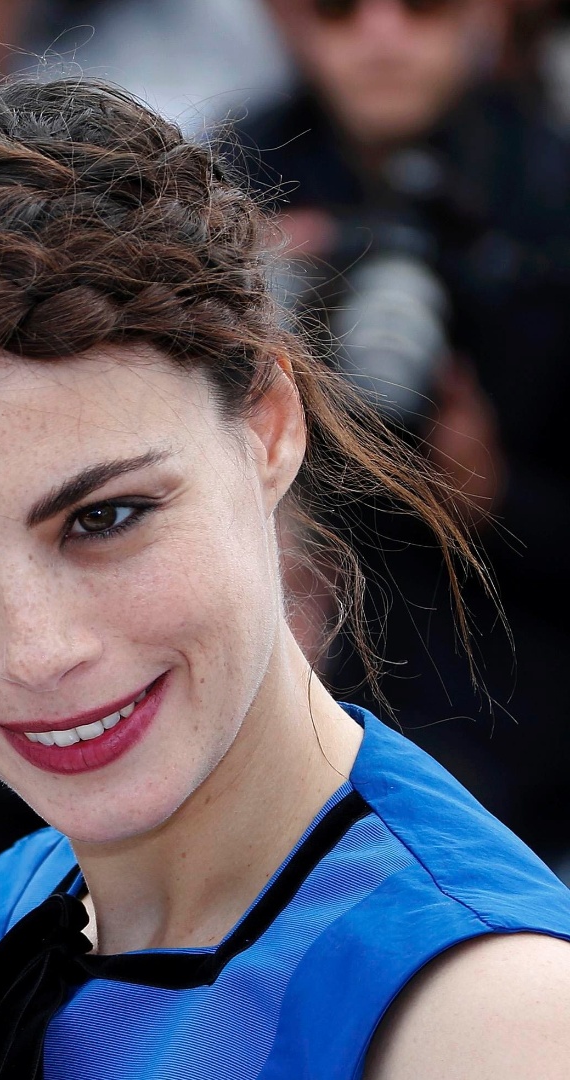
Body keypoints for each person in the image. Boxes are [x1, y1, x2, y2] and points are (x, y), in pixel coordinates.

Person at [0, 78, 570, 1079]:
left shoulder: (486, 1017)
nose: (39, 651)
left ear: (267, 425)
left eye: (105, 519)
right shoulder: (15, 908)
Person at [242, 0, 570, 860]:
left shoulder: (549, 192)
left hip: (509, 699)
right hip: (284, 653)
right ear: (288, 17)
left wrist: (494, 497)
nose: (382, 35)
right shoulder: (236, 172)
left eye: (421, 4)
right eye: (340, 9)